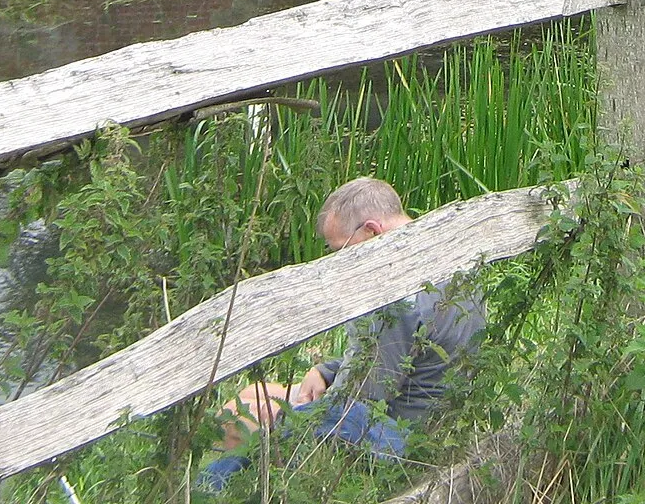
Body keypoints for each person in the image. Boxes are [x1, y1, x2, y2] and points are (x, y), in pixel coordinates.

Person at [197, 177, 486, 494]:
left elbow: (362, 396)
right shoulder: (445, 257)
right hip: (436, 416)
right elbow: (405, 356)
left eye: (341, 250)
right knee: (254, 392)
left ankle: (210, 493)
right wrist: (325, 371)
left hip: (403, 436)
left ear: (372, 231)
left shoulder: (395, 293)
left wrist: (289, 413)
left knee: (240, 417)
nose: (339, 261)